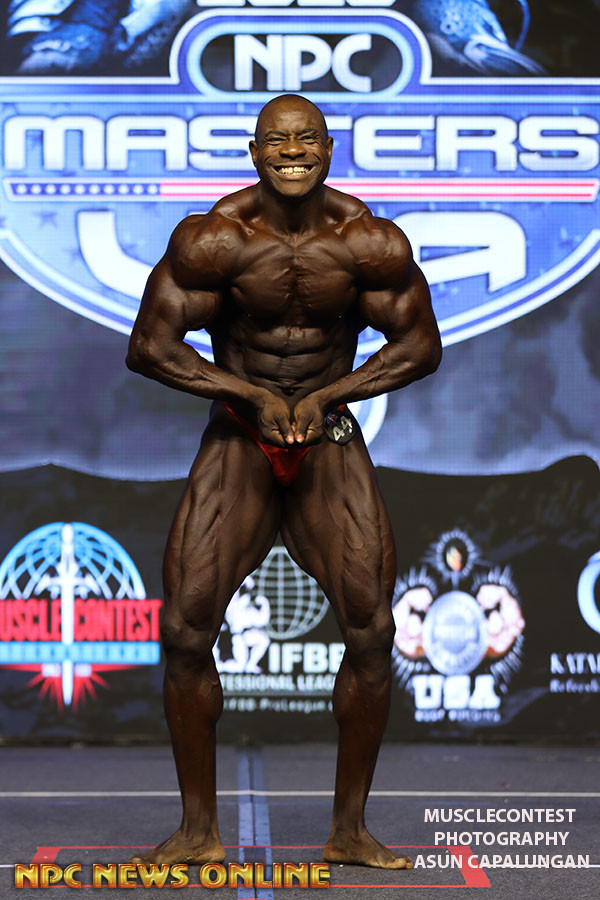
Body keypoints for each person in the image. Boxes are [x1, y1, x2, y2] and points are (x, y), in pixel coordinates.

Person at [126, 94, 442, 869]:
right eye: (277, 140)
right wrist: (251, 394)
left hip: (327, 439)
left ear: (329, 149)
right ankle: (198, 830)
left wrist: (329, 395)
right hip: (240, 437)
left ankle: (350, 830)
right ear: (253, 150)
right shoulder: (214, 240)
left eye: (306, 140)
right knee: (185, 631)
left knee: (372, 633)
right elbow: (150, 346)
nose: (292, 152)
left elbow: (419, 346)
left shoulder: (368, 241)